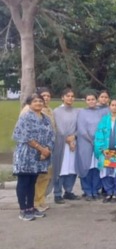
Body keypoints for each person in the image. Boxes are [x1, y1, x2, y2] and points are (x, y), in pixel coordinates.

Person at [12, 93, 55, 221]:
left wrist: (47, 149)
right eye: (35, 101)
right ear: (29, 104)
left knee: (32, 183)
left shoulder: (46, 118)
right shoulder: (25, 118)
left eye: (40, 101)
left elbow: (51, 135)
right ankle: (23, 209)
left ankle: (31, 207)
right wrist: (41, 149)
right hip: (26, 155)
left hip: (40, 157)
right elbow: (25, 136)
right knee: (24, 182)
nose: (38, 103)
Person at [52, 88, 81, 203]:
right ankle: (57, 193)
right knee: (61, 168)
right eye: (67, 96)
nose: (70, 98)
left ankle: (68, 191)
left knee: (72, 168)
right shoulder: (57, 111)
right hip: (61, 144)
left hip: (74, 143)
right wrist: (67, 139)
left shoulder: (77, 111)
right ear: (62, 97)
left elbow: (80, 126)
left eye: (72, 96)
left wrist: (74, 137)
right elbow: (57, 128)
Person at [76, 92, 104, 201]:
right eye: (89, 99)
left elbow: (103, 126)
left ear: (96, 100)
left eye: (93, 99)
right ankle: (87, 191)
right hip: (85, 143)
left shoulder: (100, 112)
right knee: (85, 166)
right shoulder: (82, 112)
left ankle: (95, 190)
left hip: (99, 143)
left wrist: (98, 140)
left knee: (97, 167)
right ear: (85, 101)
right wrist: (90, 139)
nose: (91, 101)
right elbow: (81, 128)